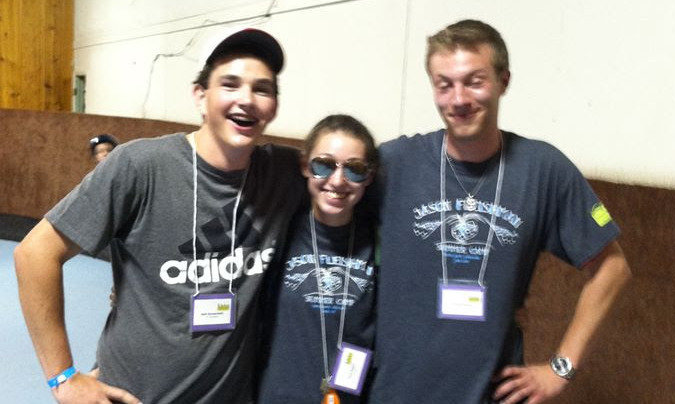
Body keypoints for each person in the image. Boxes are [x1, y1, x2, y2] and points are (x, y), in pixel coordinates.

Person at [14, 28, 305, 403]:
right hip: (133, 395)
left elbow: (347, 164)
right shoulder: (141, 165)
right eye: (230, 84)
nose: (246, 99)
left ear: (274, 106)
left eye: (262, 89)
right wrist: (63, 378)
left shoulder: (283, 173)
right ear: (200, 96)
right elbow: (34, 254)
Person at [366, 19, 631, 403]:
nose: (458, 99)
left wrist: (561, 368)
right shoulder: (395, 163)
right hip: (394, 392)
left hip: (491, 393)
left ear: (504, 81)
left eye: (474, 82)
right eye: (444, 85)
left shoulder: (543, 170)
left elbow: (613, 268)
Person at [257, 114, 378, 403]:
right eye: (324, 165)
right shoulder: (278, 234)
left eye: (354, 169)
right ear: (305, 166)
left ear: (369, 177)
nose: (337, 181)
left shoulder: (380, 244)